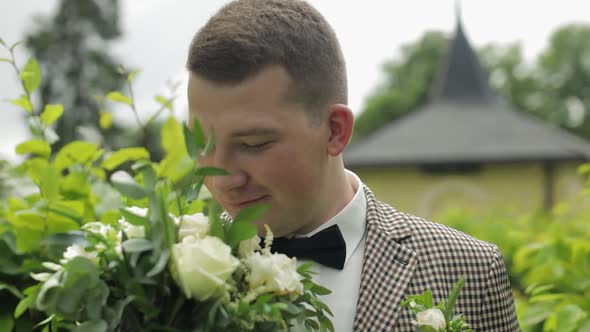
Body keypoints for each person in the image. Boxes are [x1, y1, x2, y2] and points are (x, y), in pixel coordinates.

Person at [185, 0, 519, 331]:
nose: (223, 178)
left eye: (253, 144)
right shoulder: (163, 268)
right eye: (200, 145)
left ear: (335, 130)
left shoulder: (469, 270)